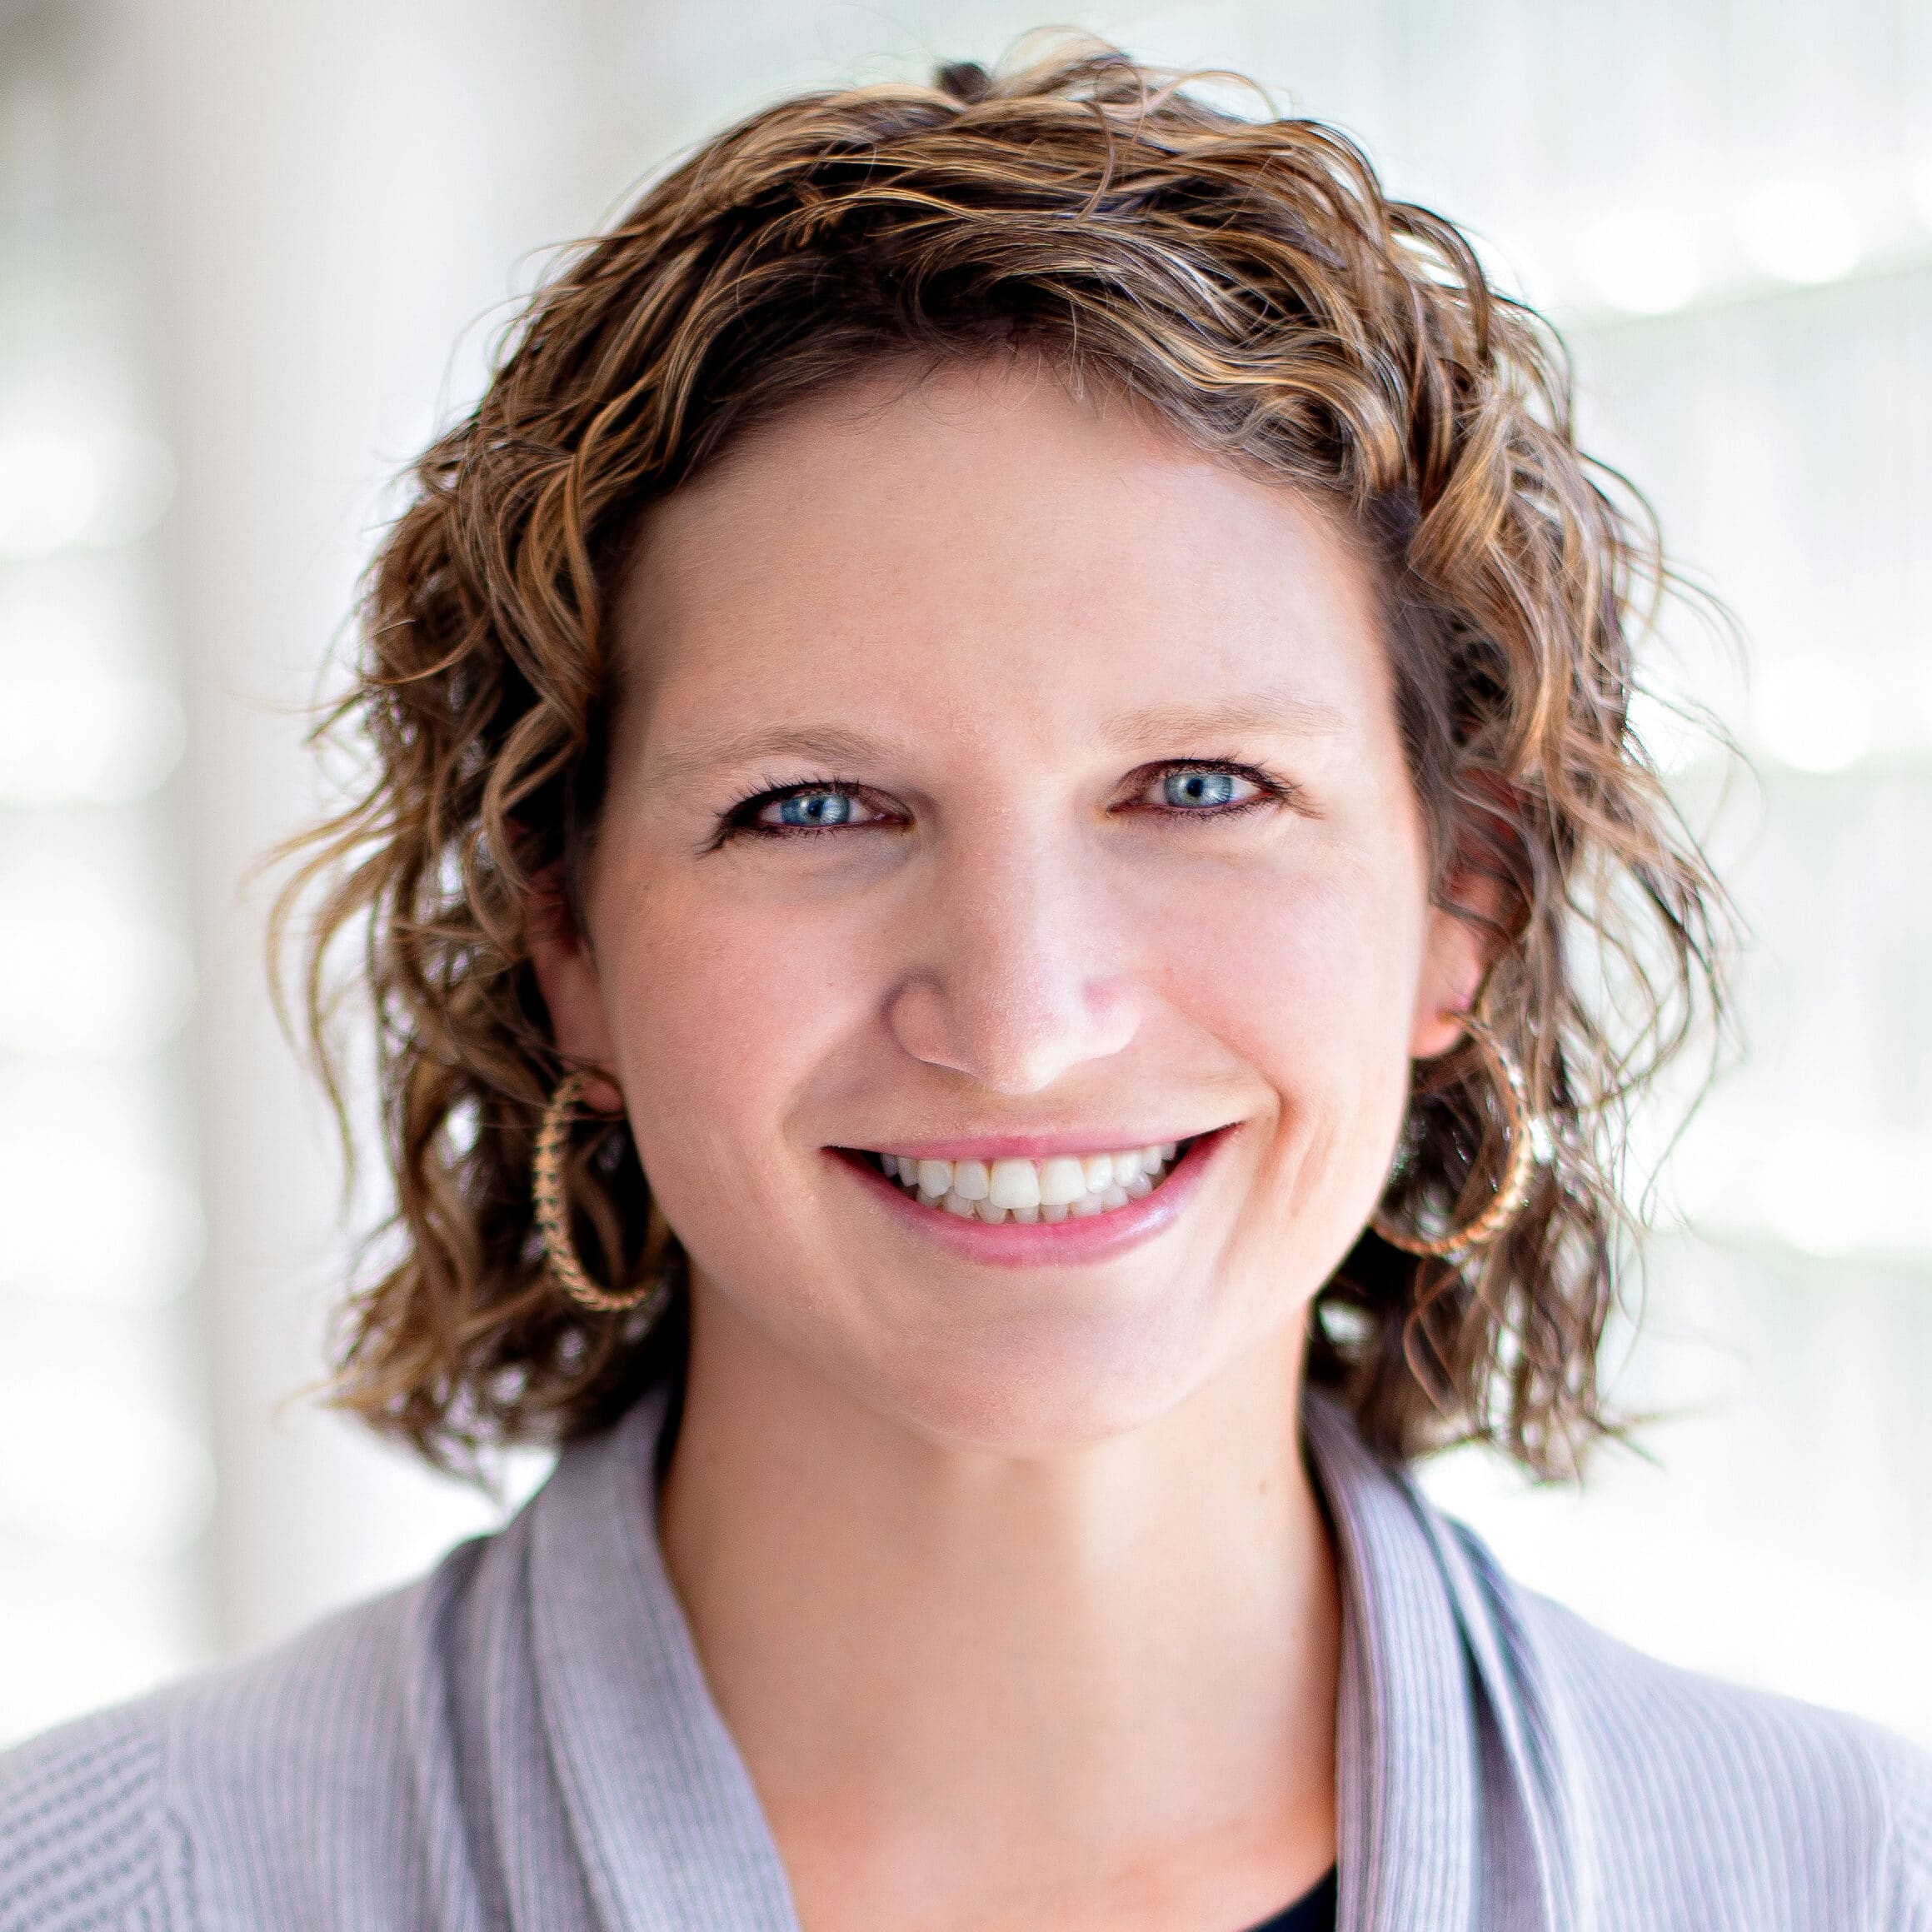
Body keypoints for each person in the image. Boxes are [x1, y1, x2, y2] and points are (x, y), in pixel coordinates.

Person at [3, 38, 1928, 1932]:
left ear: (1465, 896)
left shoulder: (1850, 1882)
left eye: (1197, 787)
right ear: (567, 944)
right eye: (813, 803)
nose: (1017, 1017)